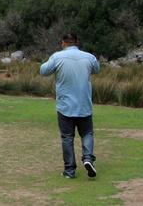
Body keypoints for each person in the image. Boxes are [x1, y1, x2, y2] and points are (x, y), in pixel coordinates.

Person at [40, 32, 101, 179]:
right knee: (87, 133)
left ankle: (69, 170)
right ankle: (88, 158)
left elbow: (43, 71)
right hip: (84, 103)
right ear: (77, 42)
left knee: (67, 137)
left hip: (65, 105)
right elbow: (96, 69)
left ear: (63, 43)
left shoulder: (57, 57)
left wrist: (53, 59)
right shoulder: (89, 57)